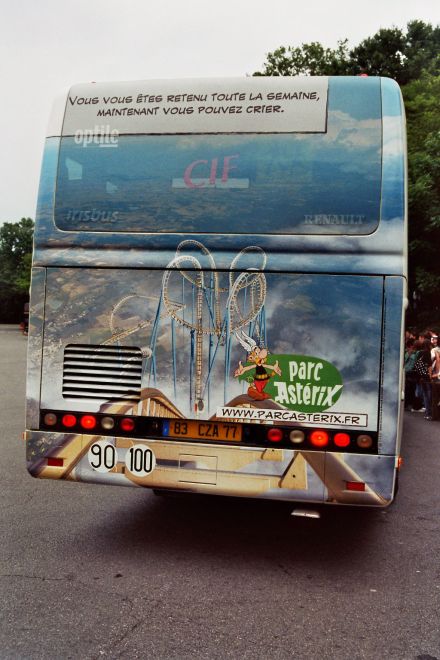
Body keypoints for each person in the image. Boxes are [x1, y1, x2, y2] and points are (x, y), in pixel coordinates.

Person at [413, 338, 433, 420]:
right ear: (428, 345)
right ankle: (429, 413)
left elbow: (416, 365)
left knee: (425, 395)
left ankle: (426, 413)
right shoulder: (427, 353)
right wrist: (430, 376)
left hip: (420, 376)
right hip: (426, 377)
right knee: (429, 395)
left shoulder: (420, 352)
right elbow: (429, 366)